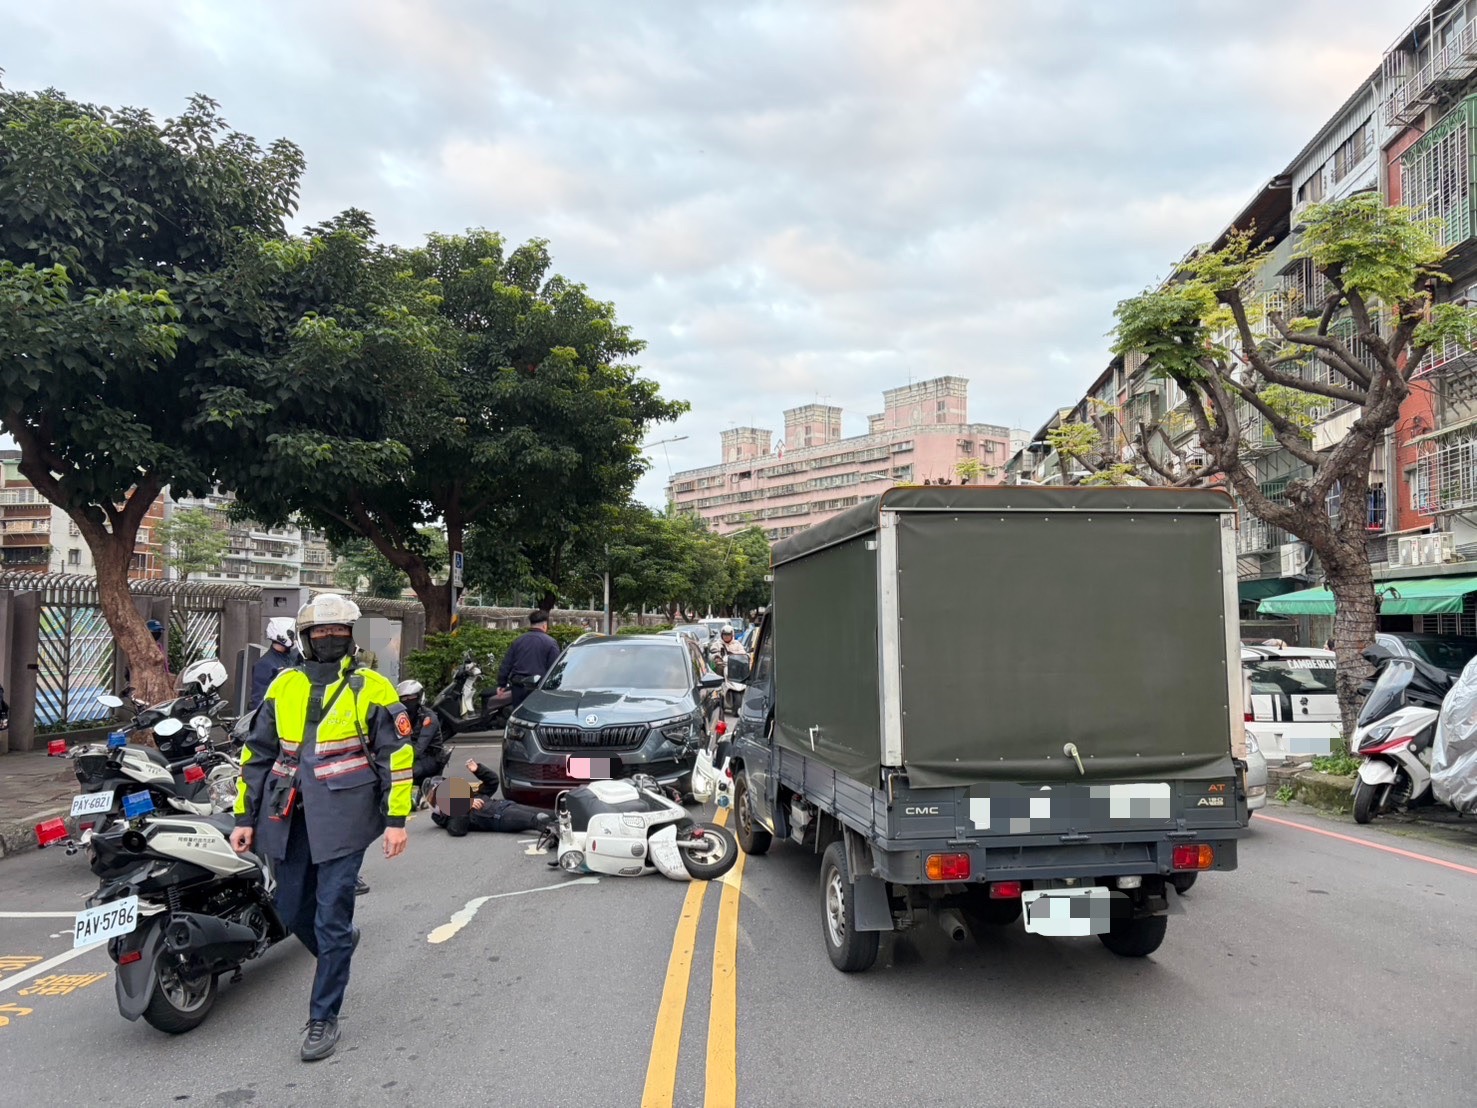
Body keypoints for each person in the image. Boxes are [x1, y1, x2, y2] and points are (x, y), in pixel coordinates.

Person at [229, 594, 415, 1063]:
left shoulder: (373, 686)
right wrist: (242, 817)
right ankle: (339, 947)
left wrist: (396, 820)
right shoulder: (283, 684)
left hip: (346, 817)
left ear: (351, 638)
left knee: (331, 916)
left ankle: (323, 1017)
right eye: (321, 633)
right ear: (306, 639)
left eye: (339, 632)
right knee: (291, 912)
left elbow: (398, 756)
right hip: (287, 813)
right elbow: (257, 754)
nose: (330, 639)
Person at [424, 759, 551, 835]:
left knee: (554, 815)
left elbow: (492, 782)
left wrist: (478, 770)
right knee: (538, 820)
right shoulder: (451, 818)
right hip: (499, 818)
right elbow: (458, 830)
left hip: (507, 805)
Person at [395, 678, 449, 799]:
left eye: (411, 697)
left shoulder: (428, 718)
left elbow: (419, 749)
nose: (408, 701)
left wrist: (398, 761)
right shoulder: (401, 717)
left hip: (430, 757)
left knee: (403, 772)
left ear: (419, 697)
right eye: (404, 698)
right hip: (411, 756)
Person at [497, 610, 562, 709]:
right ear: (545, 625)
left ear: (531, 624)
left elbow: (506, 664)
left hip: (518, 687)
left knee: (519, 715)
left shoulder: (518, 641)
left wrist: (501, 684)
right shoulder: (550, 643)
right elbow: (555, 669)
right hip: (538, 689)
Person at [250, 618, 302, 711]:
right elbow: (259, 701)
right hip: (277, 714)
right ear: (282, 635)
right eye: (291, 634)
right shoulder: (264, 664)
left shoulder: (292, 657)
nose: (294, 637)